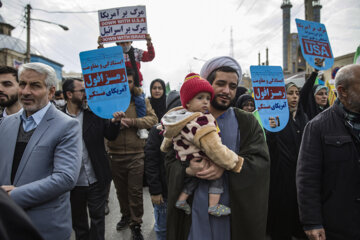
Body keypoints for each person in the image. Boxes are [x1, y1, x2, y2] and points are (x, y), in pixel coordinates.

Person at [165, 56, 270, 240]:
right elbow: (168, 160)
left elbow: (261, 162)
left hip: (232, 213)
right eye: (220, 83)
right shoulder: (185, 119)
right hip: (193, 211)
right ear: (207, 84)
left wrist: (226, 165)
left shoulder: (247, 122)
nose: (226, 91)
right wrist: (187, 169)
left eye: (232, 86)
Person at [0, 62, 82, 240]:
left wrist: (12, 196)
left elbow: (66, 178)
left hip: (44, 227)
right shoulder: (6, 123)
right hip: (6, 224)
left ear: (51, 91)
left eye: (35, 85)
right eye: (22, 84)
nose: (26, 91)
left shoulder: (67, 125)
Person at [161, 73, 243, 217]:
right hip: (202, 158)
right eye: (200, 98)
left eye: (207, 98)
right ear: (188, 102)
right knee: (216, 179)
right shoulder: (202, 122)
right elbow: (214, 149)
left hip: (185, 158)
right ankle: (213, 206)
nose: (205, 102)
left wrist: (165, 147)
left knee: (193, 180)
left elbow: (168, 137)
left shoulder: (180, 117)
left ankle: (181, 200)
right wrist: (234, 163)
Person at [296, 64, 360, 240]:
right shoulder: (317, 127)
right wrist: (312, 222)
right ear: (343, 91)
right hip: (338, 224)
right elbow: (308, 178)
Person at [62, 78, 124, 240]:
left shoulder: (94, 113)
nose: (86, 94)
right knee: (79, 223)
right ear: (69, 94)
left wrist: (115, 122)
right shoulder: (57, 118)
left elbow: (110, 135)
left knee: (98, 220)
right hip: (72, 182)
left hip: (96, 178)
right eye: (81, 91)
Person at [106, 67, 157, 240]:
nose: (125, 85)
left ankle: (136, 224)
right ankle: (125, 216)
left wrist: (132, 122)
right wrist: (113, 123)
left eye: (128, 81)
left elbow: (153, 119)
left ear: (133, 82)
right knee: (121, 191)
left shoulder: (141, 99)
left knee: (135, 191)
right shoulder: (109, 100)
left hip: (137, 153)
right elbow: (103, 122)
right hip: (115, 153)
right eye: (122, 82)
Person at [266, 82, 308, 240]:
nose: (294, 97)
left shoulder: (304, 117)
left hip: (300, 175)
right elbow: (271, 148)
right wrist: (271, 131)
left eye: (297, 93)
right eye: (290, 93)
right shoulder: (275, 119)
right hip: (281, 176)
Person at [98, 34, 155, 139]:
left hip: (136, 85)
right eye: (121, 43)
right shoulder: (114, 55)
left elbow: (150, 56)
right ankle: (116, 125)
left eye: (127, 42)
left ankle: (141, 128)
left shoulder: (137, 52)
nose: (124, 45)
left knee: (140, 102)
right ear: (117, 44)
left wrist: (149, 42)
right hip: (117, 87)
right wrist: (101, 46)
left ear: (131, 41)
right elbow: (102, 60)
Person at [144, 90, 182, 240]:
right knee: (162, 230)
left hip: (183, 193)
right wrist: (155, 191)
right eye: (177, 108)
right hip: (163, 195)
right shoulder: (157, 131)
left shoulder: (192, 129)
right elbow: (151, 162)